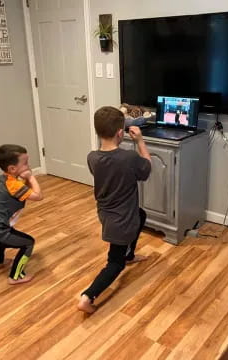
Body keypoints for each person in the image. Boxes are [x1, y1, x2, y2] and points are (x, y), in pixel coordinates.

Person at [78, 106, 152, 313]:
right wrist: (140, 142)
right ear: (121, 133)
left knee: (141, 214)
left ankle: (130, 256)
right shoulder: (128, 158)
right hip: (122, 219)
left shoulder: (92, 157)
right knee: (114, 263)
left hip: (106, 214)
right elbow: (147, 168)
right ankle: (88, 296)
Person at [0, 144, 43, 285]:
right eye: (25, 163)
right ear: (12, 168)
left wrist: (24, 177)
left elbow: (21, 188)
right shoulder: (14, 185)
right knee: (28, 243)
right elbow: (38, 195)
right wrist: (31, 177)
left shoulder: (6, 179)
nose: (28, 166)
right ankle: (15, 276)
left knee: (5, 235)